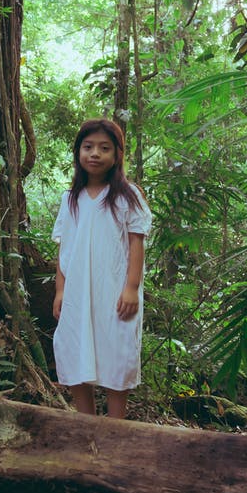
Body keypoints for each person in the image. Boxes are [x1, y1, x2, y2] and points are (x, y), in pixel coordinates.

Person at [51, 118, 151, 419]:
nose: (95, 154)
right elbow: (64, 249)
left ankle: (115, 432)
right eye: (88, 147)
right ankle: (86, 426)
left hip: (115, 293)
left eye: (104, 148)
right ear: (78, 153)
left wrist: (131, 288)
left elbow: (136, 243)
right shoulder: (70, 199)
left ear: (117, 154)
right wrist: (60, 291)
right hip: (77, 294)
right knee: (73, 350)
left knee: (116, 354)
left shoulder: (127, 195)